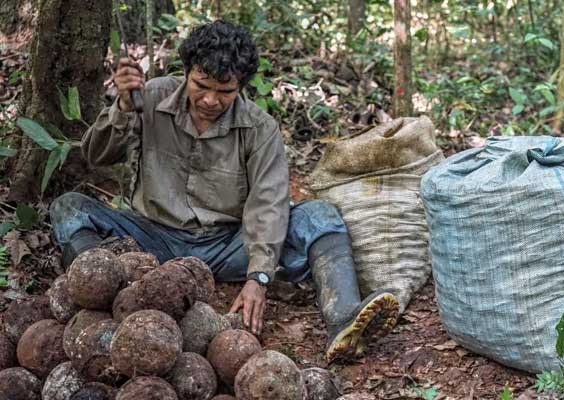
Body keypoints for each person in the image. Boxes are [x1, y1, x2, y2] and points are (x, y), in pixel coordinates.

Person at [48, 20, 398, 362]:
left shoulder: (260, 129)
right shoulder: (150, 96)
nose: (211, 100)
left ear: (241, 87)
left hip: (229, 246)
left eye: (225, 91)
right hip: (152, 240)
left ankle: (343, 317)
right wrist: (123, 108)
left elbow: (268, 204)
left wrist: (259, 276)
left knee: (319, 217)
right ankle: (102, 297)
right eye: (201, 85)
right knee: (70, 209)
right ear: (186, 71)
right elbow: (95, 156)